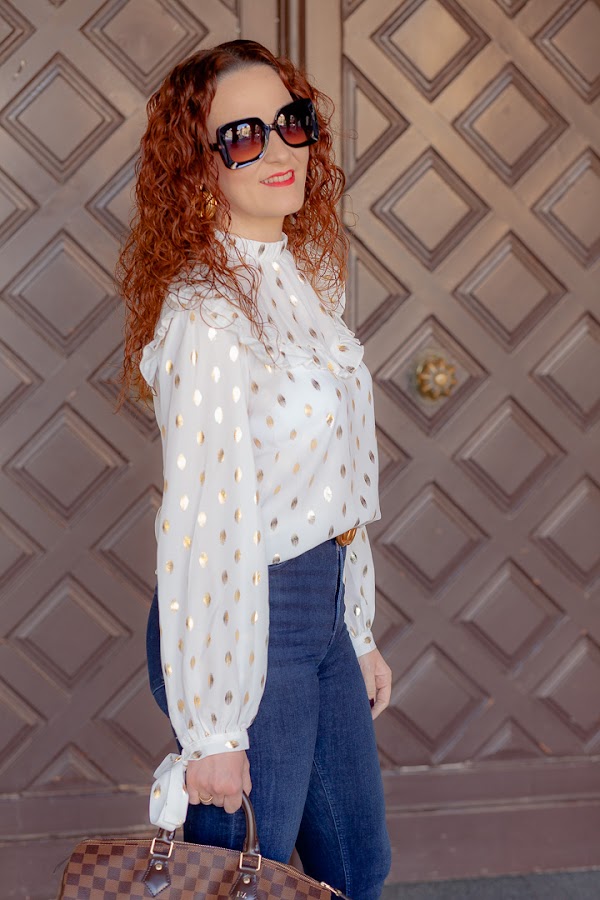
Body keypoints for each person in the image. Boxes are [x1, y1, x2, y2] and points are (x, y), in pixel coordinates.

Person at [118, 39, 392, 899]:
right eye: (242, 136)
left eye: (291, 122)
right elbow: (204, 527)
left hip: (321, 608)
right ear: (198, 166)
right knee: (242, 879)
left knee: (357, 866)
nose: (278, 149)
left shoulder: (304, 283)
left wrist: (357, 628)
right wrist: (212, 731)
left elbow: (335, 481)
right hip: (248, 618)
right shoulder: (205, 313)